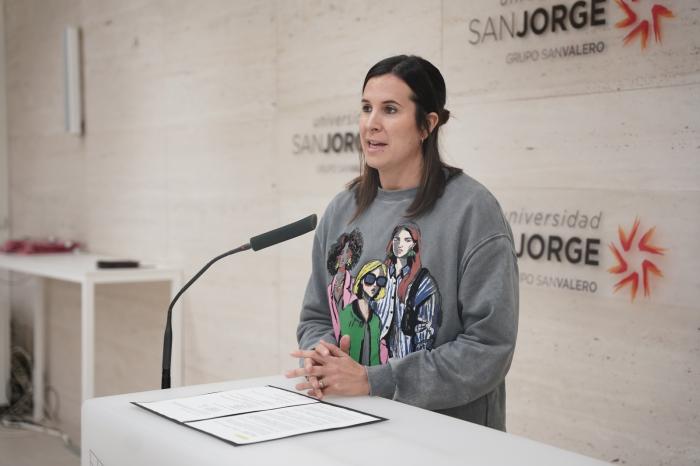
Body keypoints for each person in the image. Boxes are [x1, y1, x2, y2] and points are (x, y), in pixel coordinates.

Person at [286, 54, 519, 431]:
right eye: (366, 108)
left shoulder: (473, 211)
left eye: (390, 109)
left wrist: (376, 381)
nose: (371, 124)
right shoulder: (341, 209)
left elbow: (488, 349)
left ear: (427, 125)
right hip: (351, 427)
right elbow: (316, 316)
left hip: (448, 441)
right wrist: (321, 357)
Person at [338, 260, 388, 366]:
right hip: (347, 376)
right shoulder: (347, 313)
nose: (375, 285)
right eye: (370, 279)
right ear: (361, 280)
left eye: (380, 281)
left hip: (372, 379)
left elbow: (376, 359)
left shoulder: (376, 320)